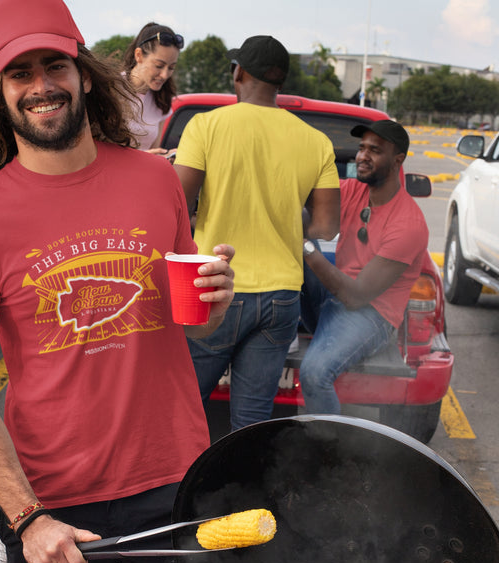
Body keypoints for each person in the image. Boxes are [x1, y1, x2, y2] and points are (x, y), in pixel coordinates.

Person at [0, 0, 235, 563]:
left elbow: (190, 325)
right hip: (52, 507)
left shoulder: (156, 181)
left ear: (84, 74)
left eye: (55, 66)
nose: (42, 86)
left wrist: (213, 304)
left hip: (172, 481)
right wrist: (27, 517)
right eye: (20, 72)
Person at [173, 35, 340, 432]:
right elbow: (326, 227)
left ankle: (178, 491)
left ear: (240, 73)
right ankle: (243, 493)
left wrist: (202, 220)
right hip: (283, 297)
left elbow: (175, 205)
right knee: (251, 423)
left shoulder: (206, 126)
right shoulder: (316, 142)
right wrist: (281, 218)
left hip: (216, 290)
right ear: (279, 82)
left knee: (183, 408)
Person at [299, 120, 429, 414]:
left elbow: (357, 296)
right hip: (333, 300)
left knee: (315, 374)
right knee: (293, 228)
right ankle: (267, 325)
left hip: (370, 315)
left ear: (398, 161)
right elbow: (303, 195)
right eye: (361, 148)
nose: (362, 156)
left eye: (374, 150)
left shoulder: (408, 224)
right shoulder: (353, 191)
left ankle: (327, 453)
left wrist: (303, 245)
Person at [122, 23, 183, 154]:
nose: (165, 75)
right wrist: (145, 157)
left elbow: (153, 151)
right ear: (139, 55)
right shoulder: (111, 90)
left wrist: (166, 155)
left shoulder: (162, 101)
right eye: (159, 65)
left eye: (171, 68)